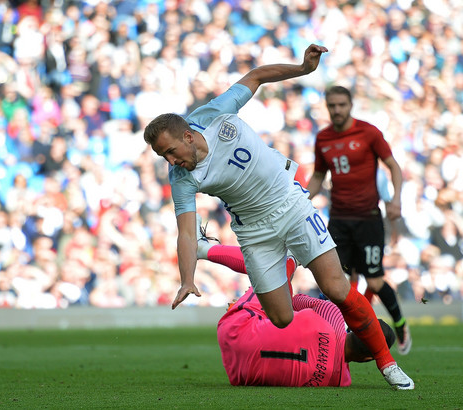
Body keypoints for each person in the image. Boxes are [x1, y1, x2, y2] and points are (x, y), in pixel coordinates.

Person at [143, 44, 413, 389]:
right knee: (282, 318)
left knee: (337, 288)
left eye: (170, 151)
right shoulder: (181, 179)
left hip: (290, 204)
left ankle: (388, 364)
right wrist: (186, 279)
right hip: (254, 231)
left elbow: (256, 76)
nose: (171, 161)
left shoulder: (213, 115)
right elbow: (184, 232)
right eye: (163, 156)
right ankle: (277, 264)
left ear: (188, 135)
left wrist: (304, 69)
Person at [196, 221, 396, 387]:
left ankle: (203, 248)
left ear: (354, 325)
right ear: (368, 358)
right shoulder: (340, 381)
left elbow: (286, 300)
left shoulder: (331, 313)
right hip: (239, 373)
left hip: (236, 328)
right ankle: (291, 257)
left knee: (275, 268)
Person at [306, 86, 412, 355]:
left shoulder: (368, 132)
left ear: (350, 104)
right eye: (332, 106)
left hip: (368, 220)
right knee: (335, 280)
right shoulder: (323, 139)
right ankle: (339, 333)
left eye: (341, 104)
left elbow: (394, 166)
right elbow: (319, 176)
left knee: (374, 281)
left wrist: (396, 198)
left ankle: (399, 323)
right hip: (339, 220)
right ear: (327, 107)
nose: (337, 110)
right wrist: (303, 198)